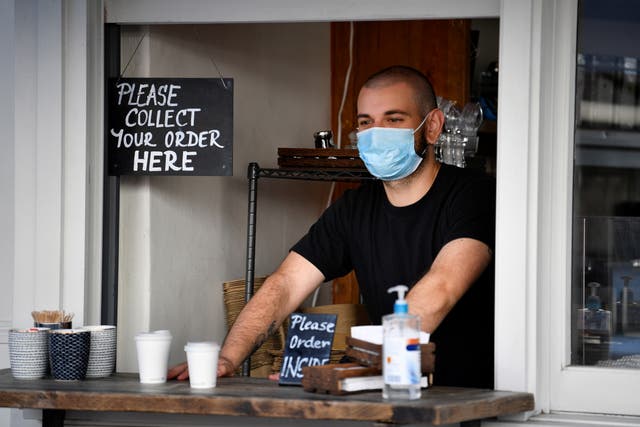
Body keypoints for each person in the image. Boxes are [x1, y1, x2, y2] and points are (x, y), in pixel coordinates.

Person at [168, 65, 495, 388]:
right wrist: (228, 358)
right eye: (366, 122)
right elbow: (285, 284)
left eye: (394, 120)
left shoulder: (473, 195)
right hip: (391, 393)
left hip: (467, 396)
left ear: (433, 126)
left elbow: (442, 288)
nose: (376, 133)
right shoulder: (354, 209)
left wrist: (354, 369)